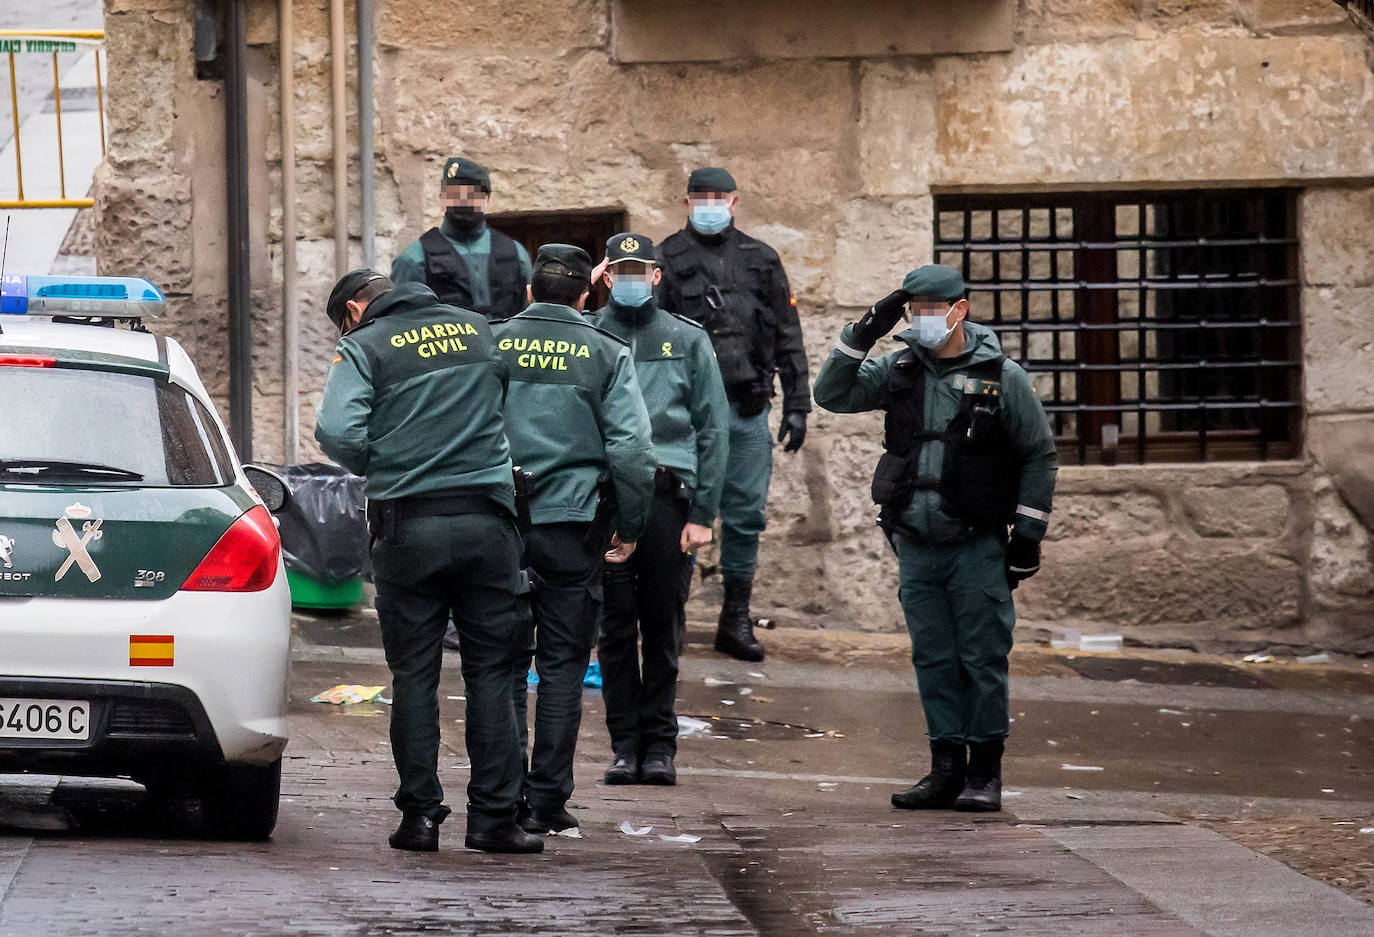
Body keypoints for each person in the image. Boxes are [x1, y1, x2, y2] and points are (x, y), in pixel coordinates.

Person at [812, 264, 1058, 813]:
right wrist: (861, 333)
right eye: (913, 309)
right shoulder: (899, 367)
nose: (921, 319)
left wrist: (1029, 535)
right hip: (916, 545)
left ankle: (985, 773)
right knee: (933, 658)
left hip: (975, 543)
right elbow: (830, 394)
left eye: (931, 308)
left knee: (982, 658)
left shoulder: (1001, 374)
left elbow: (1038, 455)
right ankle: (945, 769)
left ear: (959, 310)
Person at [315, 269, 542, 855]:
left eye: (347, 317)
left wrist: (390, 453)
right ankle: (494, 820)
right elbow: (514, 400)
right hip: (488, 525)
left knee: (413, 675)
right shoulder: (479, 330)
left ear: (358, 306)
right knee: (492, 672)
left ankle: (420, 818)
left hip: (408, 528)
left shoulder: (363, 346)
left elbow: (336, 431)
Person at [491, 244, 657, 835]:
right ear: (587, 296)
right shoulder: (606, 351)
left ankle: (500, 798)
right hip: (573, 524)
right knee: (562, 665)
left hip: (500, 524)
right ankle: (546, 801)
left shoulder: (492, 341)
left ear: (530, 292)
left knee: (501, 665)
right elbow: (634, 452)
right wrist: (631, 525)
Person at [587, 232, 729, 786]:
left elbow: (713, 428)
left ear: (655, 275)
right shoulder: (590, 334)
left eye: (636, 270)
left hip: (669, 495)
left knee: (663, 625)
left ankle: (660, 746)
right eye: (618, 270)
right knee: (615, 628)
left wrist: (704, 514)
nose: (628, 279)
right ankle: (625, 744)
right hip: (608, 497)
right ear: (607, 275)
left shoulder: (686, 339)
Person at [656, 167, 810, 663]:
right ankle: (671, 615)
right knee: (678, 513)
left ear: (735, 201)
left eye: (718, 196)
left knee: (745, 517)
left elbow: (788, 331)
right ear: (686, 202)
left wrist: (799, 402)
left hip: (745, 409)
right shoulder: (665, 258)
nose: (709, 203)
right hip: (685, 415)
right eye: (700, 196)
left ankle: (734, 619)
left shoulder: (761, 259)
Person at [390, 156, 532, 321]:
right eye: (455, 194)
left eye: (472, 194)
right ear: (442, 197)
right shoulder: (414, 258)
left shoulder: (515, 253)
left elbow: (529, 321)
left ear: (487, 199)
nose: (463, 201)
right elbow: (398, 325)